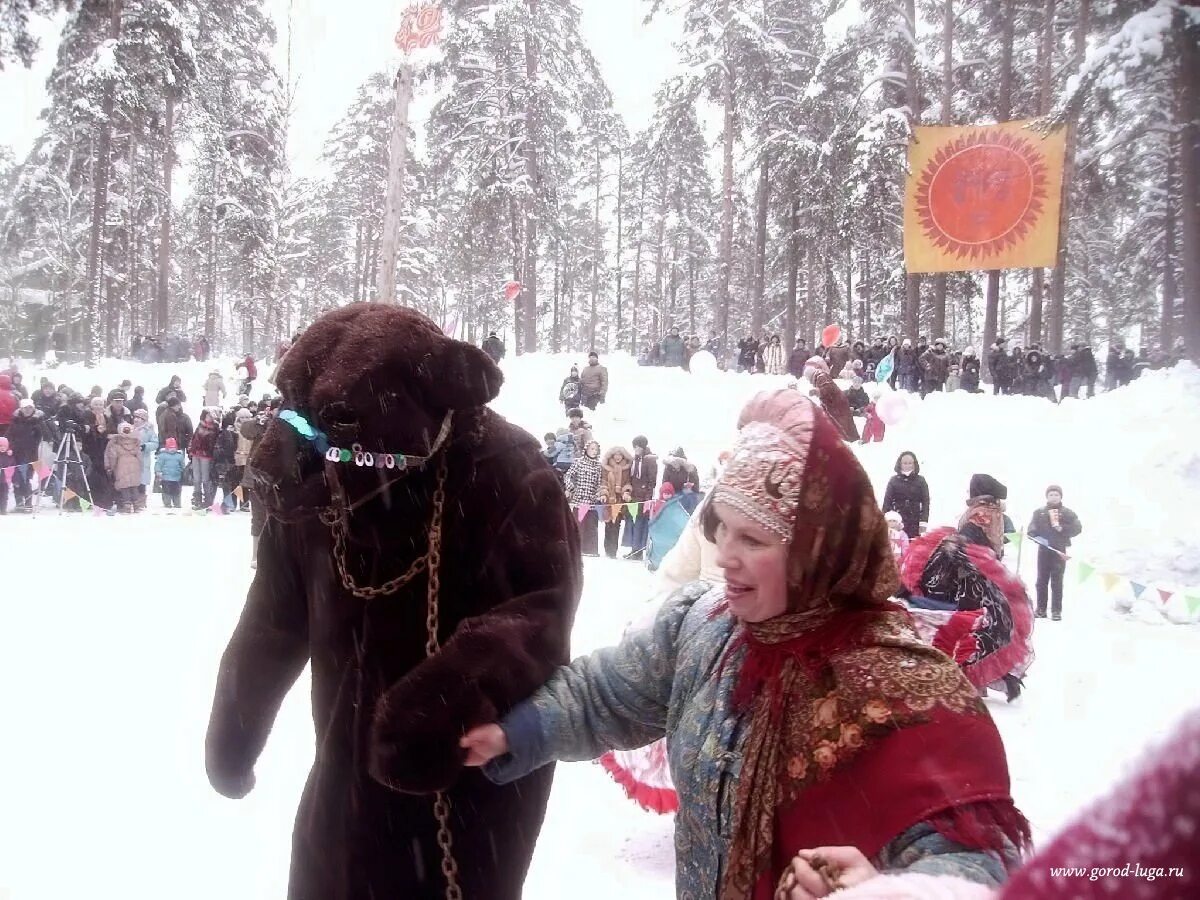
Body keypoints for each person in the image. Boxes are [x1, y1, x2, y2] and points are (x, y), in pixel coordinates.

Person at [463, 391, 1028, 899]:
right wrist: (512, 731)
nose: (726, 554)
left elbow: (981, 862)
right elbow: (603, 694)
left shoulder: (906, 692)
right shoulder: (704, 627)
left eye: (753, 538)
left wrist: (892, 892)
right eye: (721, 529)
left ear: (817, 551)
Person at [205, 304, 581, 900]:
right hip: (345, 764)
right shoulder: (313, 486)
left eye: (335, 434)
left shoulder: (506, 469)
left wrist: (452, 692)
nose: (309, 452)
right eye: (301, 425)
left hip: (470, 774)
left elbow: (539, 614)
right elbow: (273, 620)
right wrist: (236, 727)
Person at [900, 474, 1034, 704]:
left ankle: (983, 677)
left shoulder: (978, 514)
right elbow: (975, 550)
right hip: (967, 581)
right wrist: (1002, 578)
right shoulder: (982, 516)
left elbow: (982, 549)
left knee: (983, 627)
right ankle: (976, 678)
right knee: (988, 626)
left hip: (968, 580)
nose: (994, 516)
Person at [1027, 485, 1083, 621]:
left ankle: (1056, 611)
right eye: (1051, 494)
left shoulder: (1068, 513)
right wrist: (1036, 536)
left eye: (1056, 495)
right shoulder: (1039, 512)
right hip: (1043, 551)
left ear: (1061, 497)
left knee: (1057, 581)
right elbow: (1031, 530)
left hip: (1060, 551)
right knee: (1041, 581)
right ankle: (1041, 609)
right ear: (1047, 496)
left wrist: (1062, 529)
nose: (1054, 497)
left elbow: (1078, 528)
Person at [805, 357, 859, 441]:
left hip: (836, 404)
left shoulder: (821, 376)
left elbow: (828, 388)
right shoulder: (820, 376)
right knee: (843, 422)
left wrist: (817, 391)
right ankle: (850, 438)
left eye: (808, 380)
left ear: (810, 376)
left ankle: (848, 439)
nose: (810, 382)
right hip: (836, 402)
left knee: (841, 423)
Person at [565, 439, 603, 557]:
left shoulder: (598, 465)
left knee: (591, 525)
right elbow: (568, 476)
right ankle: (577, 548)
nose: (594, 451)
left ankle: (590, 549)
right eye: (592, 449)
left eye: (596, 449)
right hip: (579, 499)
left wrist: (598, 494)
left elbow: (599, 482)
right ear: (586, 449)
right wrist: (571, 488)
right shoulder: (579, 462)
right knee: (578, 524)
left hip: (591, 500)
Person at [882, 451, 929, 540]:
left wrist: (923, 522)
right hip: (897, 520)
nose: (907, 465)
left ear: (914, 464)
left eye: (910, 463)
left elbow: (926, 503)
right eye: (905, 463)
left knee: (913, 547)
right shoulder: (894, 480)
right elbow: (887, 502)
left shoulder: (921, 481)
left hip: (915, 520)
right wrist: (884, 522)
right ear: (900, 464)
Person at [626, 435, 658, 560]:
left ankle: (638, 550)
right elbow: (632, 477)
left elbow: (652, 480)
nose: (636, 449)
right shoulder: (635, 459)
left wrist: (648, 497)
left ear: (644, 446)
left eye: (639, 446)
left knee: (640, 524)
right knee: (633, 523)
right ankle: (633, 549)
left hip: (644, 496)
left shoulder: (649, 460)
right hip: (634, 495)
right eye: (635, 446)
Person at [104, 422, 143, 514]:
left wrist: (110, 467)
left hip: (121, 465)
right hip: (134, 465)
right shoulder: (135, 441)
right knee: (134, 486)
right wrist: (140, 467)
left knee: (124, 486)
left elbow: (112, 456)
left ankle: (127, 506)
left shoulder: (115, 442)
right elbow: (140, 456)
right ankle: (136, 506)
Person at [188, 410, 219, 510]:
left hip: (206, 455)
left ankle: (207, 500)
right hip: (195, 453)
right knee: (196, 478)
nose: (208, 418)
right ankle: (197, 498)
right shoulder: (200, 425)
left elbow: (212, 442)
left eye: (210, 416)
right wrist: (191, 449)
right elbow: (194, 438)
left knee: (205, 478)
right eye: (207, 416)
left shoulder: (215, 428)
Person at [132, 408, 158, 512]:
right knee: (133, 480)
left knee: (142, 482)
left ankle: (141, 502)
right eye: (135, 417)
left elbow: (155, 443)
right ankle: (133, 500)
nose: (136, 420)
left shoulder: (149, 431)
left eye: (139, 418)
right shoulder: (130, 428)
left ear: (144, 419)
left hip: (143, 459)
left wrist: (145, 446)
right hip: (131, 459)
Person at [154, 438, 185, 508]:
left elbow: (182, 465)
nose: (172, 449)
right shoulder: (162, 456)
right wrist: (158, 471)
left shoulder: (179, 456)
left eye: (174, 447)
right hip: (166, 478)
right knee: (166, 491)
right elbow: (158, 464)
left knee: (177, 492)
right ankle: (167, 503)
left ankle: (177, 503)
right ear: (167, 448)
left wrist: (182, 470)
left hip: (176, 478)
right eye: (170, 448)